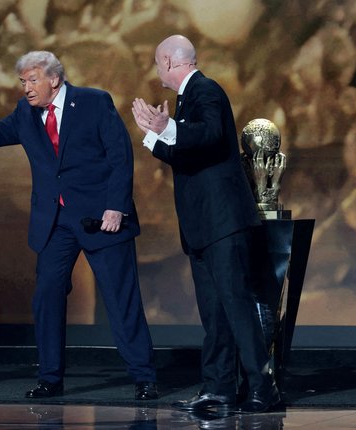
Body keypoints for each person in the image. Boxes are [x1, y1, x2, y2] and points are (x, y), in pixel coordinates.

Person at [0, 50, 158, 401]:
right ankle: (50, 378)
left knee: (121, 299)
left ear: (54, 79)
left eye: (33, 81)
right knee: (46, 297)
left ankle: (144, 376)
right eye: (23, 82)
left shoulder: (93, 102)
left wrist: (116, 207)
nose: (27, 88)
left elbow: (121, 155)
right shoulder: (25, 113)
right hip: (55, 222)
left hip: (101, 218)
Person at [131, 35, 280, 413]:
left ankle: (263, 387)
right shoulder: (186, 98)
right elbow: (188, 154)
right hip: (202, 225)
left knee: (236, 305)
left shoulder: (206, 90)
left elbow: (211, 136)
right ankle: (218, 389)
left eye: (155, 62)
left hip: (223, 221)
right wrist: (154, 136)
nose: (155, 70)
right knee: (214, 312)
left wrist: (168, 128)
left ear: (167, 61)